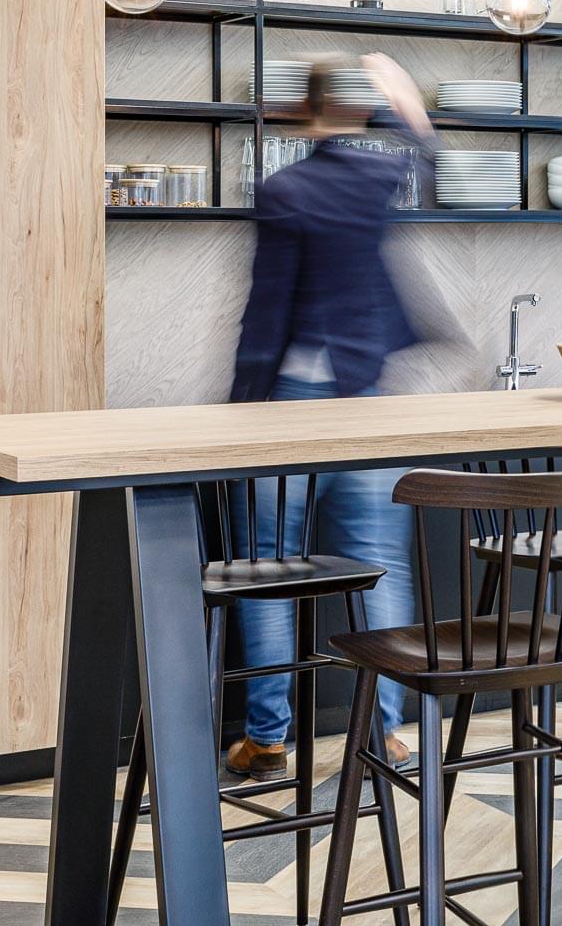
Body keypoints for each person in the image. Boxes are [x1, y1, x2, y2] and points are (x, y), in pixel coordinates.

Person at [223, 52, 434, 780]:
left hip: (291, 405)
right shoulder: (377, 179)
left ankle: (269, 738)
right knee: (380, 565)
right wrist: (403, 101)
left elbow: (266, 308)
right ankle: (390, 732)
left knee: (267, 571)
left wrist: (241, 405)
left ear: (300, 113)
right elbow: (427, 162)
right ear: (353, 113)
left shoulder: (283, 189)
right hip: (367, 398)